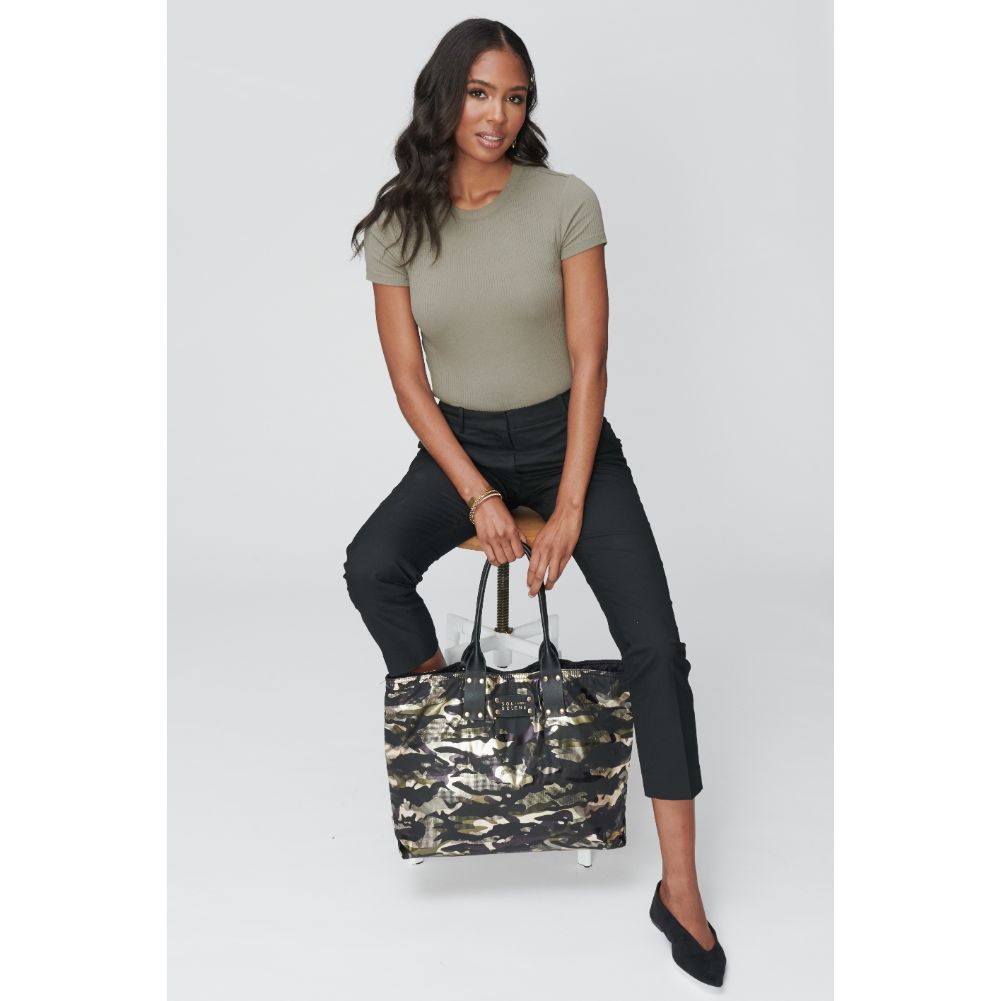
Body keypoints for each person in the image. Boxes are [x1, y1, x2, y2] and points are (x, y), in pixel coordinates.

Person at [345, 18, 726, 987]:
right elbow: (410, 386)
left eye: (514, 97)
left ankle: (679, 887)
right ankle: (454, 711)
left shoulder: (564, 201)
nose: (497, 115)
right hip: (461, 447)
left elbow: (591, 361)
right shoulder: (397, 222)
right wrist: (477, 496)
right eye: (479, 93)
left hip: (571, 442)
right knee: (371, 565)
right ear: (445, 96)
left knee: (656, 647)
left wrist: (565, 510)